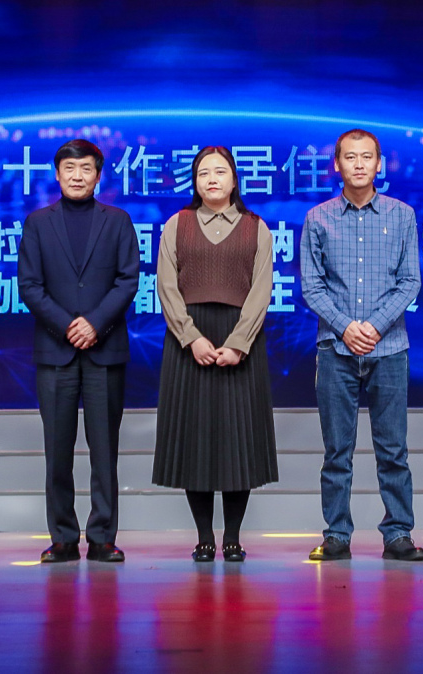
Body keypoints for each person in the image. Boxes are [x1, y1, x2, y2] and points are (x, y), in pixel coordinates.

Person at [300, 128, 423, 562]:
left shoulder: (402, 215)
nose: (358, 164)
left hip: (389, 349)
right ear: (337, 164)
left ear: (379, 164)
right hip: (335, 350)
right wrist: (345, 327)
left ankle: (398, 533)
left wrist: (372, 326)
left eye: (366, 156)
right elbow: (312, 286)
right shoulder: (318, 218)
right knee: (337, 451)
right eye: (350, 157)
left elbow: (410, 281)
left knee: (393, 450)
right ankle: (337, 534)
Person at [152, 147, 279, 562]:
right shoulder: (177, 224)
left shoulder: (257, 228)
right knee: (196, 442)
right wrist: (191, 337)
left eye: (220, 172)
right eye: (203, 172)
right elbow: (166, 287)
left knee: (238, 443)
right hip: (189, 342)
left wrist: (239, 343)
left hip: (241, 341)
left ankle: (234, 538)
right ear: (194, 181)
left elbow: (261, 291)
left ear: (234, 179)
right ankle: (204, 537)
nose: (211, 179)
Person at [18, 138, 141, 563]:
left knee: (104, 451)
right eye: (69, 169)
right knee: (58, 451)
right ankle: (63, 537)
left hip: (105, 350)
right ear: (57, 174)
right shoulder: (38, 223)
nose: (77, 176)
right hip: (55, 351)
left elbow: (128, 280)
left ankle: (103, 536)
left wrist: (94, 323)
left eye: (86, 168)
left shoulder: (118, 221)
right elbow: (29, 285)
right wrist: (68, 325)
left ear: (98, 175)